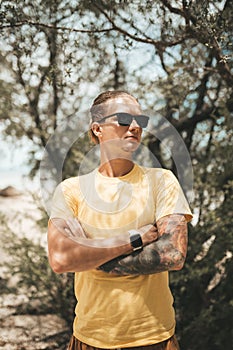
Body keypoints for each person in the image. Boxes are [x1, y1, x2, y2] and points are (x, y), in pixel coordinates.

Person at [47, 90, 193, 350]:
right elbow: (61, 260)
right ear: (97, 128)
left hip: (154, 338)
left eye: (141, 121)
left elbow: (172, 253)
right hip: (89, 337)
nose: (135, 127)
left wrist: (94, 256)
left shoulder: (161, 181)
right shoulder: (71, 190)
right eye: (124, 119)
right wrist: (135, 239)